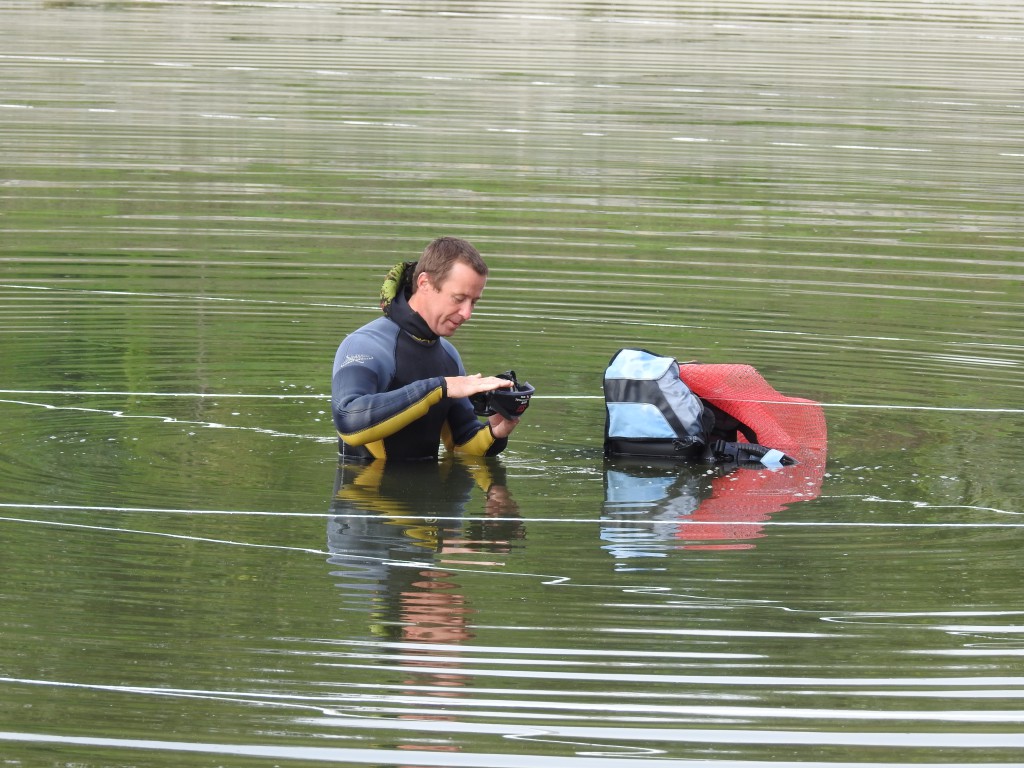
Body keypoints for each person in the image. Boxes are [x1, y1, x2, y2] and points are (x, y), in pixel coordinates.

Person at [331, 237, 520, 461]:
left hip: (429, 493)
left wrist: (495, 432)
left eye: (474, 302)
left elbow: (462, 443)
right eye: (459, 298)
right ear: (424, 283)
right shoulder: (365, 344)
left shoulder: (448, 356)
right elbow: (348, 420)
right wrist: (439, 388)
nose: (467, 314)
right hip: (365, 492)